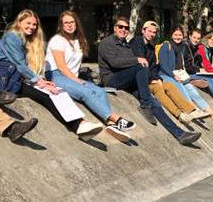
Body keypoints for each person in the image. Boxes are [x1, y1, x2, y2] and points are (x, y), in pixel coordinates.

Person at [0, 9, 103, 140]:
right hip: (5, 76)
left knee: (48, 95)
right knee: (47, 92)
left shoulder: (26, 40)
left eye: (34, 24)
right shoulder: (12, 36)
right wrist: (39, 82)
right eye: (28, 23)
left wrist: (40, 80)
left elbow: (26, 68)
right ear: (19, 22)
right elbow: (19, 64)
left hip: (14, 80)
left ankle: (78, 125)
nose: (31, 27)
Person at [98, 17, 201, 146]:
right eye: (120, 27)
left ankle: (179, 133)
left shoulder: (126, 45)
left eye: (126, 28)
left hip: (127, 80)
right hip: (111, 79)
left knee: (156, 103)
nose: (123, 30)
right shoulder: (107, 42)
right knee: (140, 67)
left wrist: (152, 76)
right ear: (115, 28)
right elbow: (114, 62)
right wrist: (137, 60)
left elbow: (147, 67)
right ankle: (145, 105)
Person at [45, 11, 135, 141]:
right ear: (61, 25)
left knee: (99, 91)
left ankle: (111, 124)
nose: (69, 25)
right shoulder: (57, 40)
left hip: (70, 76)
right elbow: (61, 66)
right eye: (66, 23)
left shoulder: (78, 41)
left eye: (72, 22)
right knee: (85, 92)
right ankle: (117, 119)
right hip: (56, 75)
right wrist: (76, 80)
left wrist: (78, 79)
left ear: (76, 23)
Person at [129, 21, 205, 124]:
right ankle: (179, 114)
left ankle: (190, 110)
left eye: (154, 32)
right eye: (149, 31)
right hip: (138, 80)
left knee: (169, 86)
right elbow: (143, 66)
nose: (152, 34)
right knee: (160, 89)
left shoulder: (151, 47)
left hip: (151, 78)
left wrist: (157, 78)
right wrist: (153, 79)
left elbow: (153, 67)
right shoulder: (136, 42)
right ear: (143, 30)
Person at [158, 26, 213, 122]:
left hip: (179, 74)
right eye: (175, 35)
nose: (178, 37)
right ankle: (193, 110)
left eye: (180, 35)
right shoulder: (166, 45)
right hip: (166, 75)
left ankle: (212, 113)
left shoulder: (182, 46)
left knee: (193, 91)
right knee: (182, 88)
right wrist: (174, 76)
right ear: (171, 35)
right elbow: (163, 65)